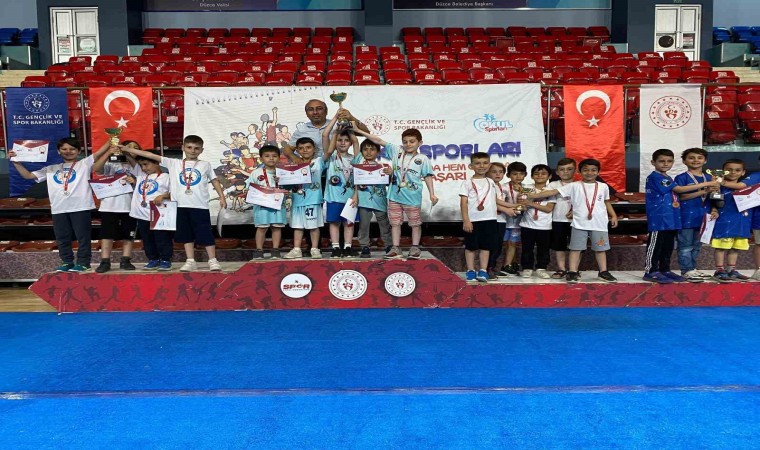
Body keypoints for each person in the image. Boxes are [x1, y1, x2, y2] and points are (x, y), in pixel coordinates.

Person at [121, 135, 227, 272]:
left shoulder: (205, 164)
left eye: (196, 148)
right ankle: (190, 261)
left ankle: (212, 260)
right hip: (180, 205)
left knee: (205, 233)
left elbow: (214, 180)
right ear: (183, 148)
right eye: (189, 147)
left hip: (200, 205)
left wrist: (222, 197)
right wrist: (126, 149)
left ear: (201, 150)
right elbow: (149, 155)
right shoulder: (173, 163)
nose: (192, 151)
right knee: (186, 235)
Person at [10, 138, 95, 272]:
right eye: (64, 149)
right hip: (58, 208)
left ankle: (84, 262)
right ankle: (67, 261)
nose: (68, 151)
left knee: (83, 237)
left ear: (79, 151)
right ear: (58, 151)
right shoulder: (51, 169)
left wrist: (111, 144)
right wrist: (15, 160)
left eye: (72, 149)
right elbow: (28, 175)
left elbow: (100, 153)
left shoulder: (84, 164)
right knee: (62, 237)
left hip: (80, 206)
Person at [353, 127, 438, 259]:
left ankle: (415, 248)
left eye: (412, 141)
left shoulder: (423, 158)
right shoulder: (397, 151)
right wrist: (359, 131)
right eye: (405, 141)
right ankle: (395, 248)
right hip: (394, 197)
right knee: (395, 224)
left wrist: (432, 193)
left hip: (412, 197)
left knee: (415, 224)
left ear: (420, 143)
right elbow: (378, 140)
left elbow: (427, 176)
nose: (408, 144)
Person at [530, 158, 618, 283]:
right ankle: (572, 271)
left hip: (599, 224)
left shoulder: (603, 186)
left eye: (593, 170)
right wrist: (532, 196)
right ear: (579, 172)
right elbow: (553, 191)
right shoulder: (574, 185)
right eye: (586, 170)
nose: (589, 173)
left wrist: (613, 215)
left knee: (600, 249)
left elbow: (606, 202)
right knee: (575, 248)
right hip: (579, 224)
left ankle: (603, 271)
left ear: (598, 172)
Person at [460, 153, 515, 282]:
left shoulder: (490, 181)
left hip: (490, 219)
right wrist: (466, 220)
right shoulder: (467, 183)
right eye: (478, 163)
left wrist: (513, 205)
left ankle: (483, 271)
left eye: (485, 163)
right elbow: (463, 202)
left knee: (486, 247)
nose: (481, 166)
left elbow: (495, 200)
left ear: (489, 165)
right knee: (471, 247)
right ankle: (470, 270)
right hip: (473, 220)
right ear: (471, 166)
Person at [91, 140, 140, 273]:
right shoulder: (111, 163)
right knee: (107, 234)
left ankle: (126, 260)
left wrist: (135, 180)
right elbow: (96, 169)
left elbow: (143, 181)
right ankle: (105, 261)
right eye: (128, 146)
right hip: (109, 206)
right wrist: (109, 153)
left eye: (135, 148)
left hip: (130, 206)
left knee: (129, 235)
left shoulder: (138, 166)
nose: (131, 149)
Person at [642, 149, 690, 284]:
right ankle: (650, 271)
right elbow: (679, 190)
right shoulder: (656, 177)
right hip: (659, 218)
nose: (665, 164)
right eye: (661, 161)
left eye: (669, 161)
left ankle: (665, 269)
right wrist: (707, 184)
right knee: (655, 246)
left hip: (671, 218)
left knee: (668, 246)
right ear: (653, 162)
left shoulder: (668, 177)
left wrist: (705, 191)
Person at [673, 148, 721, 281]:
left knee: (697, 246)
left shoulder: (711, 178)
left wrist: (715, 209)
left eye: (699, 158)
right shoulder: (681, 178)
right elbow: (681, 197)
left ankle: (693, 269)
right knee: (685, 246)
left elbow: (714, 197)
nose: (695, 160)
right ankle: (686, 270)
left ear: (705, 161)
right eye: (691, 158)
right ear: (684, 161)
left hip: (704, 217)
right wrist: (703, 191)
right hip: (686, 216)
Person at [322, 111, 360, 258]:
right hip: (333, 197)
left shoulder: (355, 158)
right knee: (334, 222)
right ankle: (336, 247)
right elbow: (325, 135)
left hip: (351, 198)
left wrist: (348, 127)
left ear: (349, 143)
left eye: (346, 140)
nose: (343, 142)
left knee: (349, 223)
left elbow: (356, 142)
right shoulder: (330, 157)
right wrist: (336, 123)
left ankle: (348, 247)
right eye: (339, 140)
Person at [127, 150, 173, 270]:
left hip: (159, 213)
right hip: (142, 214)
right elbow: (131, 159)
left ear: (157, 162)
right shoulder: (141, 176)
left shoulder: (166, 177)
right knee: (147, 239)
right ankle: (153, 259)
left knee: (162, 238)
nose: (143, 168)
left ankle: (165, 259)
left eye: (146, 164)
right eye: (141, 165)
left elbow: (174, 193)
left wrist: (163, 196)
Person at [709, 159, 751, 282]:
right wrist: (714, 210)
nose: (733, 172)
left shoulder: (746, 187)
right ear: (723, 171)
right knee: (721, 247)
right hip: (724, 221)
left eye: (737, 170)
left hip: (741, 221)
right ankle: (719, 270)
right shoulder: (717, 186)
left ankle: (731, 270)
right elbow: (712, 201)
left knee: (735, 248)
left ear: (743, 172)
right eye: (729, 170)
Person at [283, 137, 325, 259]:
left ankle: (315, 249)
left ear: (314, 149)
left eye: (308, 147)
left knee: (314, 226)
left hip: (313, 200)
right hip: (297, 200)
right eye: (301, 148)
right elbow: (288, 185)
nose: (305, 150)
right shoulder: (293, 165)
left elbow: (328, 151)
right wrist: (282, 180)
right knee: (297, 226)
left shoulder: (318, 162)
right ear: (297, 150)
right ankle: (296, 249)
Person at [284, 99, 369, 158]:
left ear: (326, 111)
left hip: (336, 166)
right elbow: (287, 149)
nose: (315, 112)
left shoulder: (338, 125)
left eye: (319, 109)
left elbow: (366, 133)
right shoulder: (301, 130)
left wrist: (351, 117)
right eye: (311, 109)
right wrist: (295, 158)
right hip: (313, 168)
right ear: (306, 113)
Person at [351, 138, 393, 258]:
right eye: (365, 149)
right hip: (364, 201)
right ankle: (364, 246)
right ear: (361, 152)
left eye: (372, 149)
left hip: (380, 200)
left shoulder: (383, 167)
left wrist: (390, 174)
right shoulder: (359, 164)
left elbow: (389, 183)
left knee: (384, 224)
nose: (368, 152)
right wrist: (355, 195)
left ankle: (389, 245)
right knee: (364, 225)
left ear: (378, 152)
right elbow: (355, 182)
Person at [244, 145, 288, 259]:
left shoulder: (282, 172)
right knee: (262, 228)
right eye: (267, 156)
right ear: (261, 158)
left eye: (274, 156)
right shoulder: (256, 173)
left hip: (278, 205)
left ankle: (275, 250)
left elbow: (288, 188)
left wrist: (282, 181)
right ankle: (259, 250)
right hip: (262, 206)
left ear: (279, 158)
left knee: (276, 227)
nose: (271, 158)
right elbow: (248, 187)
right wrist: (250, 190)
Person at [518, 164, 556, 279]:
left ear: (549, 176)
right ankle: (527, 268)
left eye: (543, 173)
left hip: (544, 226)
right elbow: (521, 203)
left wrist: (531, 203)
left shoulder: (551, 191)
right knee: (527, 248)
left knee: (543, 249)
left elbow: (548, 209)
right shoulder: (526, 188)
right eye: (536, 173)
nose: (540, 175)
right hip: (527, 225)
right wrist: (522, 205)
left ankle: (541, 268)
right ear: (531, 176)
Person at [485, 162, 518, 279]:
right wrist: (509, 208)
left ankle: (493, 267)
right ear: (487, 173)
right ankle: (487, 269)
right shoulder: (488, 184)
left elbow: (500, 201)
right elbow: (493, 201)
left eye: (501, 172)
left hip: (502, 219)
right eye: (494, 172)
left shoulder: (500, 186)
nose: (498, 174)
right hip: (492, 219)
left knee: (498, 246)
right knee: (492, 246)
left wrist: (514, 206)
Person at [547, 158, 576, 279]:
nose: (565, 172)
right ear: (557, 172)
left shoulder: (580, 185)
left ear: (575, 171)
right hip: (558, 220)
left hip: (577, 221)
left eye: (569, 169)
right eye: (562, 169)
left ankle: (574, 270)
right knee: (559, 246)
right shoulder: (553, 185)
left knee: (576, 246)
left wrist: (575, 211)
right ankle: (561, 269)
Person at [499, 161, 527, 276]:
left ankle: (508, 264)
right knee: (507, 243)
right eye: (515, 174)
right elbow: (500, 202)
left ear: (525, 175)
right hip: (504, 218)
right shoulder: (503, 187)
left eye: (521, 174)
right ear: (508, 175)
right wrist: (515, 208)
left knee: (513, 243)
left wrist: (521, 191)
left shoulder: (527, 188)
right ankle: (509, 263)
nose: (518, 176)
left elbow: (527, 204)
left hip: (519, 220)